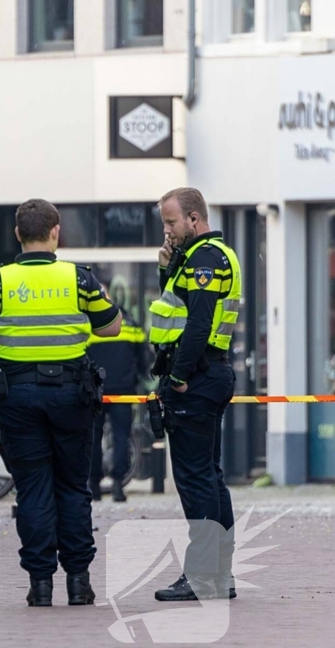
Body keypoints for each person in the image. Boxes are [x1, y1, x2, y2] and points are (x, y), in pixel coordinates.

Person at [0, 199, 121, 607]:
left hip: (18, 398)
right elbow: (112, 327)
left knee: (32, 490)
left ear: (18, 234)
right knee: (73, 487)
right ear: (56, 232)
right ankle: (80, 583)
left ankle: (41, 584)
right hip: (72, 395)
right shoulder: (79, 279)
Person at [149, 187, 241, 602]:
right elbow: (179, 307)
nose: (167, 230)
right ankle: (220, 575)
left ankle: (203, 576)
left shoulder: (205, 258)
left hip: (198, 377)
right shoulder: (201, 256)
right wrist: (167, 269)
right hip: (210, 374)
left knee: (195, 479)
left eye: (171, 222)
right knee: (210, 476)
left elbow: (198, 324)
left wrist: (180, 377)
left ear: (193, 219)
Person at [86, 293, 151, 502]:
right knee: (121, 436)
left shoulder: (89, 326)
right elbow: (144, 360)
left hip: (95, 392)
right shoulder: (131, 326)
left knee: (92, 438)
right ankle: (117, 485)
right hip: (123, 391)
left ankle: (93, 485)